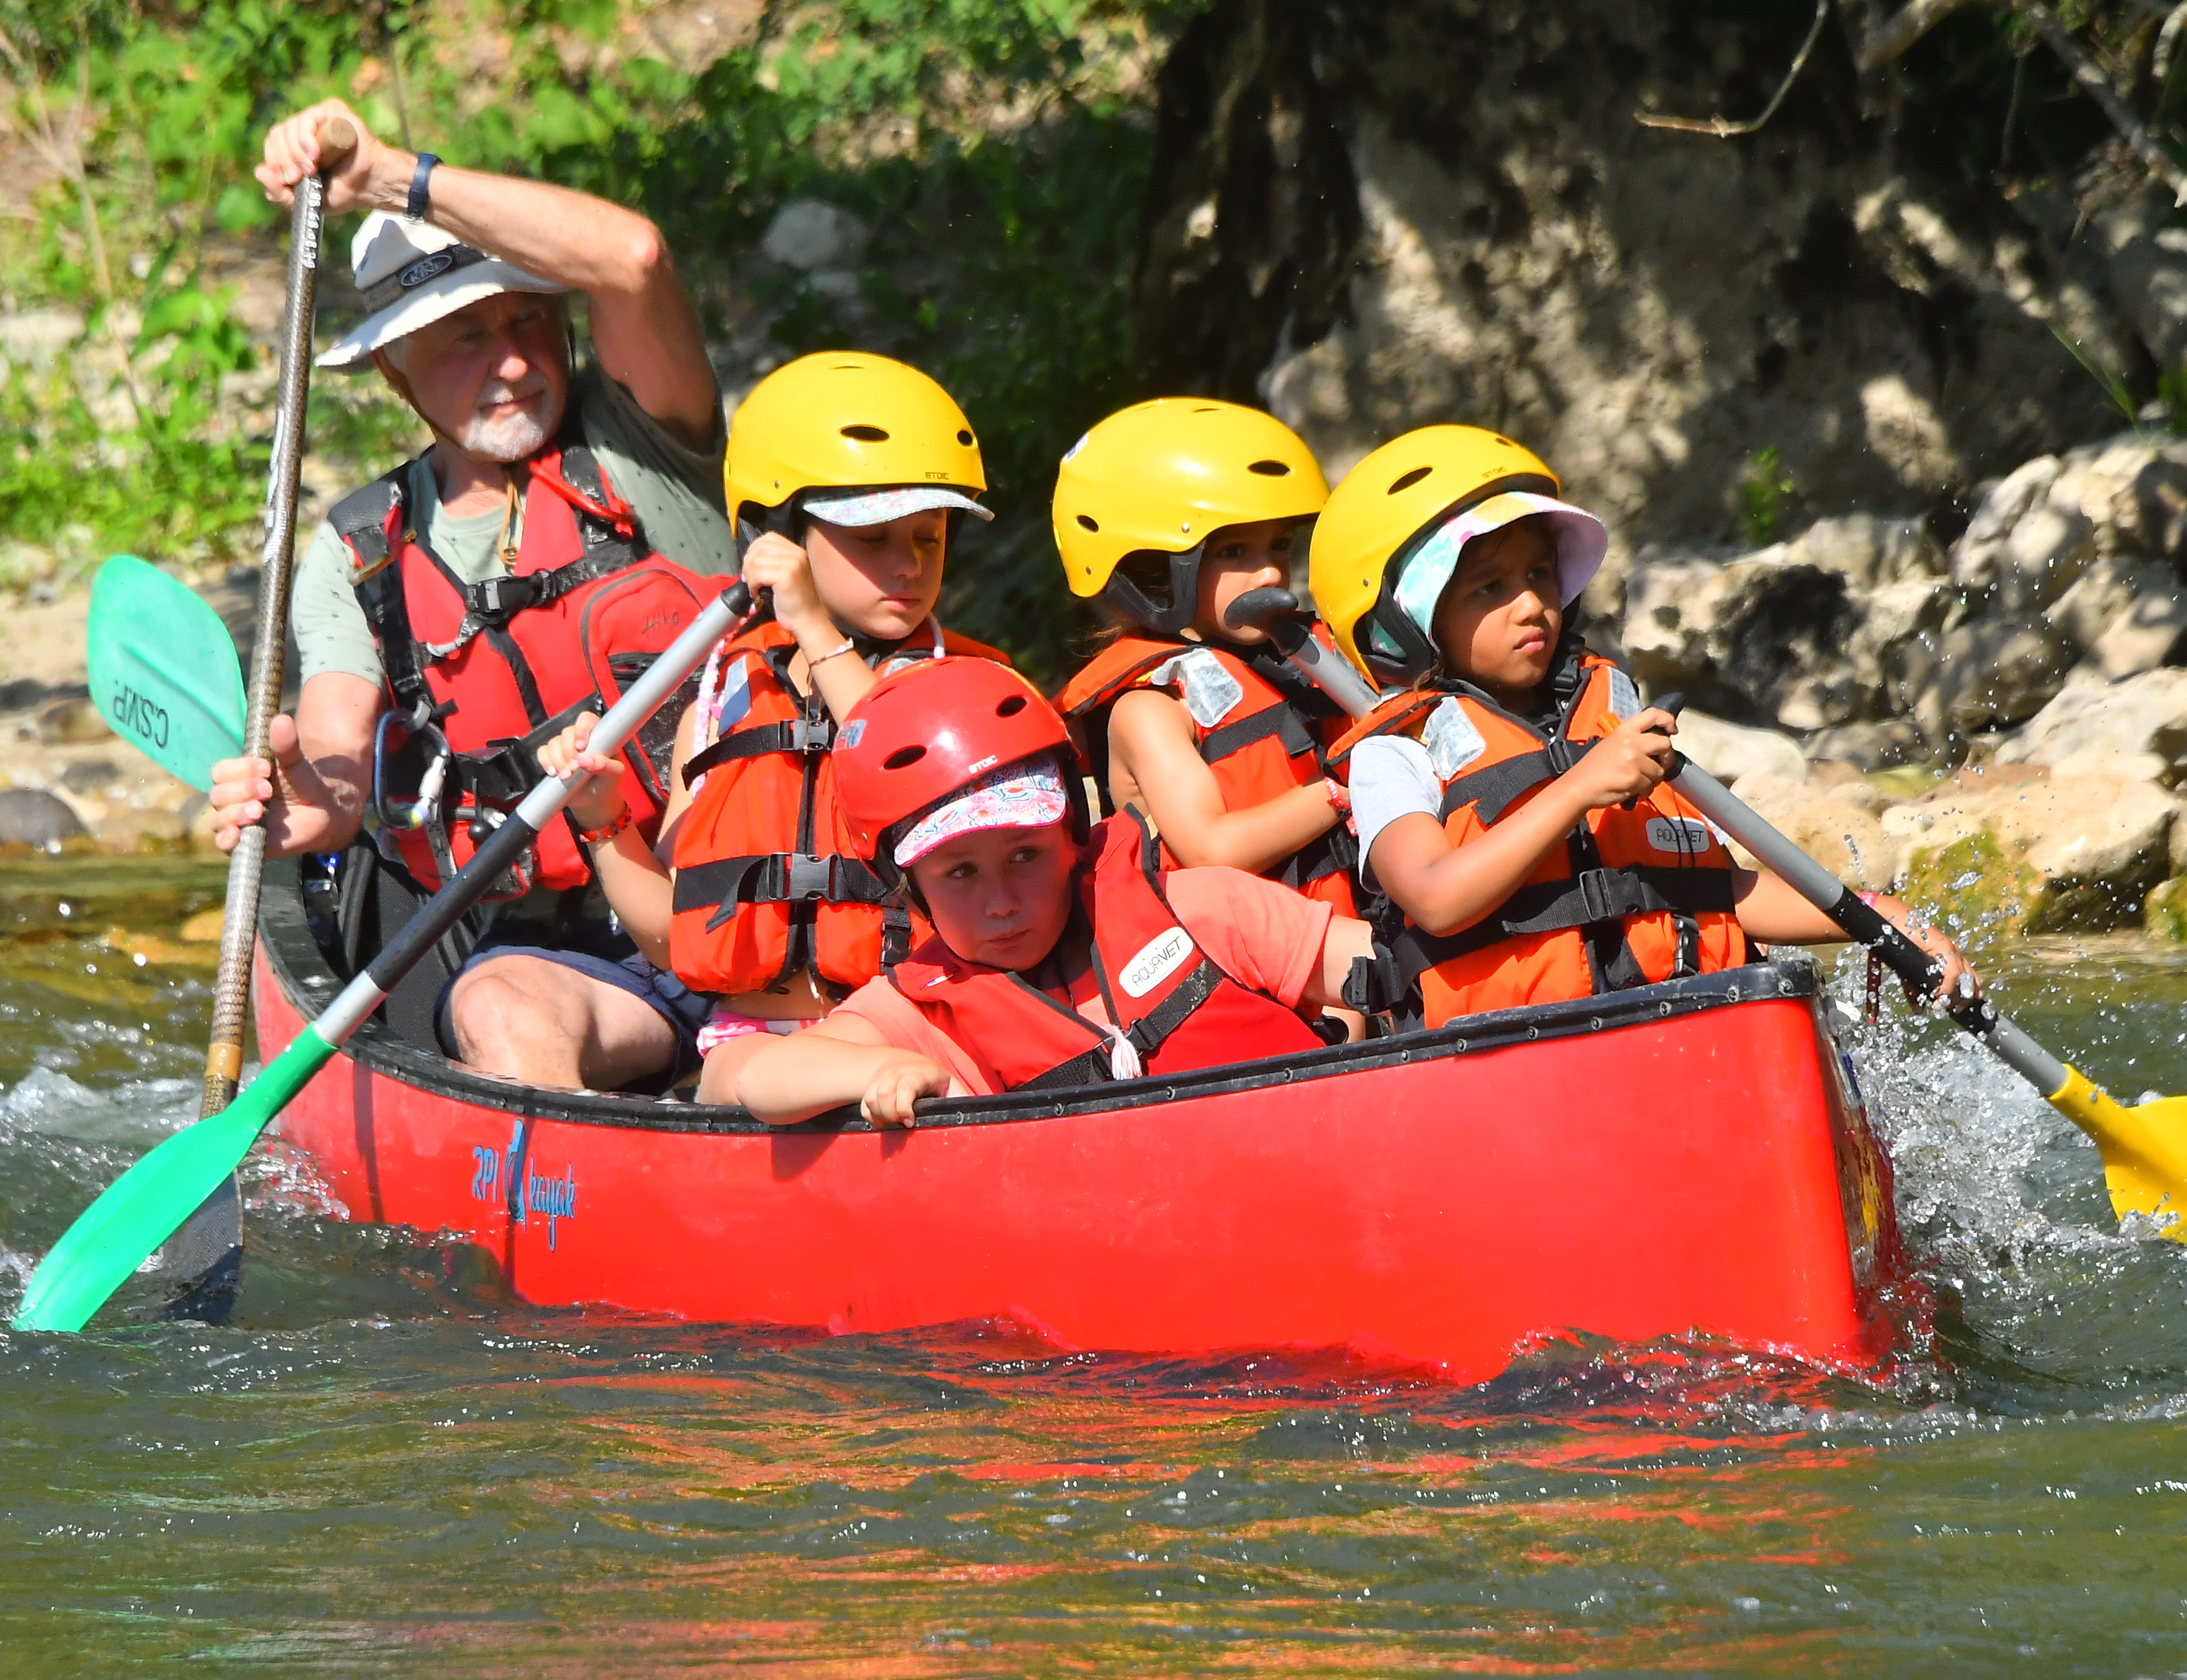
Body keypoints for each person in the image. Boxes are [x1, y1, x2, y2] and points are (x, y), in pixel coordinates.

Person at [206, 99, 735, 1092]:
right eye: (463, 336)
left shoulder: (646, 444)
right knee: (499, 1012)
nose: (513, 360)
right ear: (394, 373)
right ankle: (585, 1178)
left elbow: (633, 257)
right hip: (576, 965)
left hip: (756, 909)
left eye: (528, 317)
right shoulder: (362, 553)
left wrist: (388, 176)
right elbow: (337, 762)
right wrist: (302, 803)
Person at [1308, 425, 1978, 1031]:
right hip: (1515, 1066)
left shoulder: (1612, 716)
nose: (1532, 604)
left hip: (1680, 1034)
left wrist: (1877, 919)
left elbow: (1717, 894)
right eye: (1490, 588)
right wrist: (1577, 789)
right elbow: (1435, 897)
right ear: (1404, 627)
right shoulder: (1396, 754)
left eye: (1540, 574)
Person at [535, 352, 1007, 1103]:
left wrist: (816, 628)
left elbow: (900, 756)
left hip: (914, 1020)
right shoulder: (724, 701)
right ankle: (858, 1086)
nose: (910, 565)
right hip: (755, 1040)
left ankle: (890, 1078)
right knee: (745, 1079)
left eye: (929, 536)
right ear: (778, 536)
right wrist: (603, 821)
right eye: (874, 538)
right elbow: (672, 936)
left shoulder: (965, 692)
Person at [734, 658, 1381, 1127]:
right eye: (960, 872)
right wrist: (878, 1072)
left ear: (1072, 835)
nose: (1001, 901)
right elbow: (747, 1074)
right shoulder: (923, 1012)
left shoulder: (1202, 908)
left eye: (1026, 855)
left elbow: (1388, 968)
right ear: (908, 887)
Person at [1051, 400, 1360, 919]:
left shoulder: (1300, 659)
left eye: (1278, 546)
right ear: (1154, 567)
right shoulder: (1150, 708)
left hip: (1354, 940)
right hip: (1251, 959)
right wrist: (1344, 790)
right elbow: (1212, 847)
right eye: (1233, 552)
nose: (1270, 573)